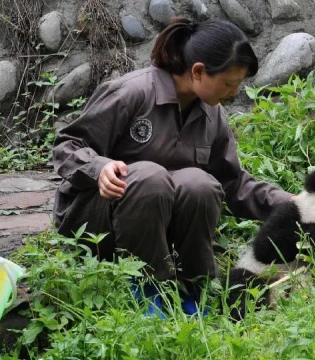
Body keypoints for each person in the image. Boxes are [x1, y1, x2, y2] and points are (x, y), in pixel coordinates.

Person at [52, 17, 292, 316]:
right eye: (229, 83)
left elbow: (233, 183)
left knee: (199, 183)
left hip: (155, 225)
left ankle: (194, 284)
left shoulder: (211, 115)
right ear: (198, 71)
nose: (234, 93)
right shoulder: (131, 93)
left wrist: (294, 207)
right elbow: (66, 145)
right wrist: (98, 167)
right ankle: (146, 286)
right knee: (150, 176)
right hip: (94, 220)